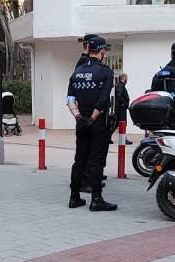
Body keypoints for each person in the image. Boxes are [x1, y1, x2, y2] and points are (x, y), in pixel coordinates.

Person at [66, 35, 117, 212]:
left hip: (80, 122)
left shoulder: (77, 71)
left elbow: (70, 99)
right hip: (97, 122)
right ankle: (96, 199)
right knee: (96, 160)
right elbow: (103, 100)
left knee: (79, 160)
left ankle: (74, 197)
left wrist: (79, 117)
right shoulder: (105, 72)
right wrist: (93, 118)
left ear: (88, 49)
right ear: (102, 51)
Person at [115, 73, 132, 145]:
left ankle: (108, 137)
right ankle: (123, 139)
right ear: (124, 78)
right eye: (126, 78)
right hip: (121, 108)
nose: (127, 80)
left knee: (116, 123)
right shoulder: (120, 86)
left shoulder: (120, 86)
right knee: (123, 123)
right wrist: (124, 103)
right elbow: (119, 96)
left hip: (120, 107)